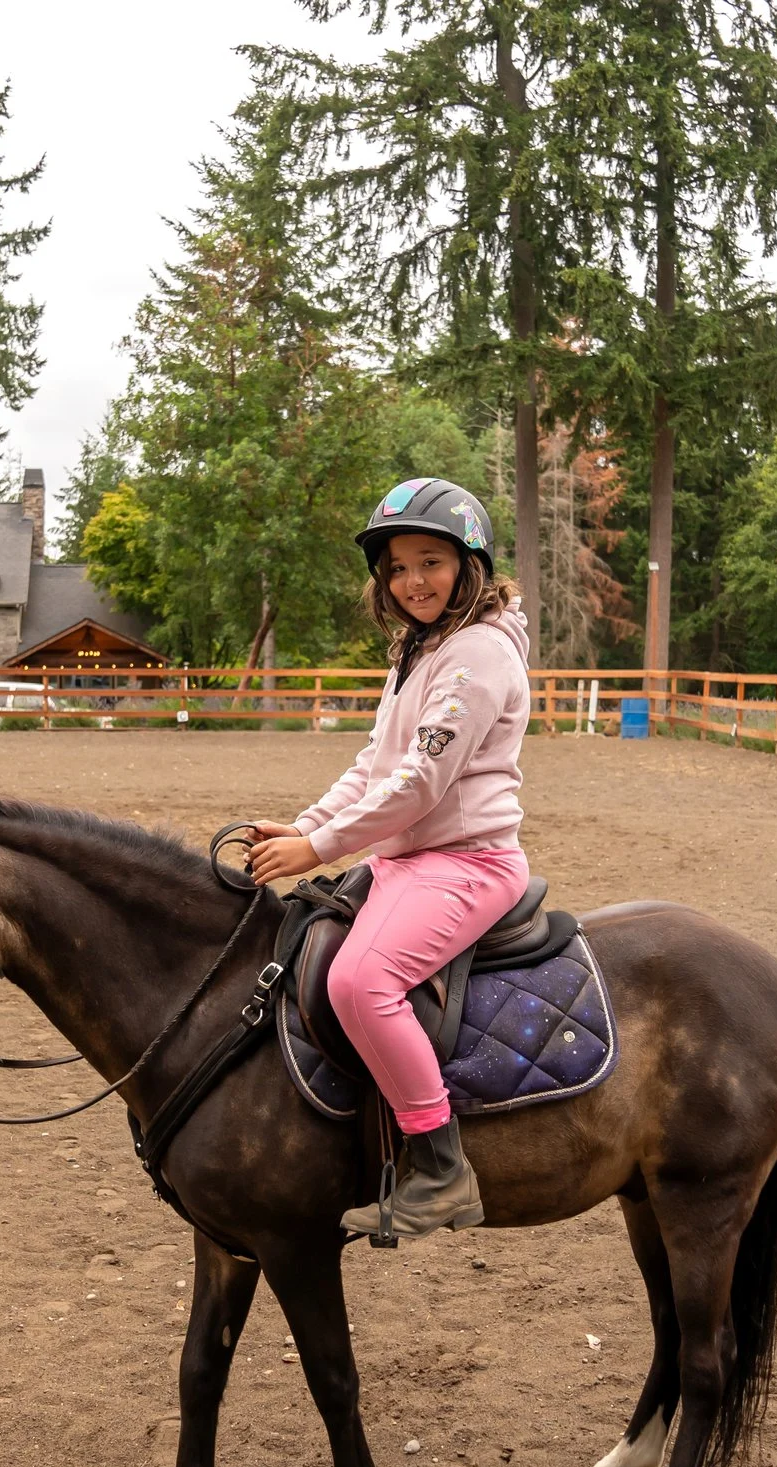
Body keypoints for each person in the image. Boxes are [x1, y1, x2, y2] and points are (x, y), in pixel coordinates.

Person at [248, 477, 531, 1241]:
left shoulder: (476, 654)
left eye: (431, 562)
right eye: (399, 568)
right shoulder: (419, 648)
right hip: (413, 857)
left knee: (362, 979)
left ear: (469, 563)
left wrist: (319, 846)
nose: (413, 582)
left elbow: (420, 781)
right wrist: (301, 831)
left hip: (467, 862)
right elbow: (377, 761)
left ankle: (440, 1167)